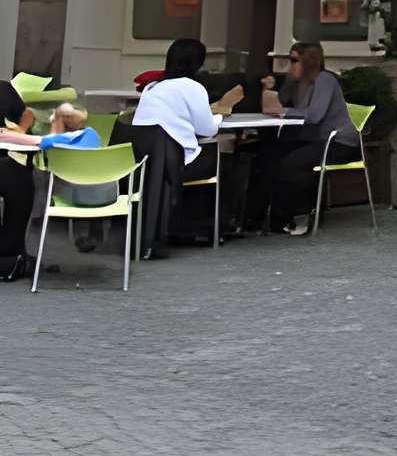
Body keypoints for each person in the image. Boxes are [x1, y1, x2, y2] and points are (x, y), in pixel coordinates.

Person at [129, 40, 243, 260]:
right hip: (176, 161)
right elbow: (207, 129)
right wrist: (218, 117)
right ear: (197, 63)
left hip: (146, 163)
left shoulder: (153, 86)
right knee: (231, 163)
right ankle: (216, 226)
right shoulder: (192, 87)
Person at [244, 43, 354, 237]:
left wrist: (285, 112)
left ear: (308, 61)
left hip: (338, 142)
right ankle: (254, 218)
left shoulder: (325, 80)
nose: (290, 64)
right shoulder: (300, 82)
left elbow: (315, 115)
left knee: (291, 164)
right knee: (266, 155)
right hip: (313, 139)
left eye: (294, 60)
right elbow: (283, 101)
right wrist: (285, 83)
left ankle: (294, 216)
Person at [36, 104, 114, 253]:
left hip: (70, 196)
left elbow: (42, 143)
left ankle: (40, 219)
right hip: (103, 194)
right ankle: (94, 235)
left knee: (43, 173)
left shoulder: (52, 141)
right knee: (92, 179)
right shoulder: (92, 133)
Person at [0, 82, 37, 281]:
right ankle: (11, 256)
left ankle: (11, 254)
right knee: (16, 176)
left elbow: (28, 115)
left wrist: (20, 130)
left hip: (9, 160)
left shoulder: (3, 90)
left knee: (18, 176)